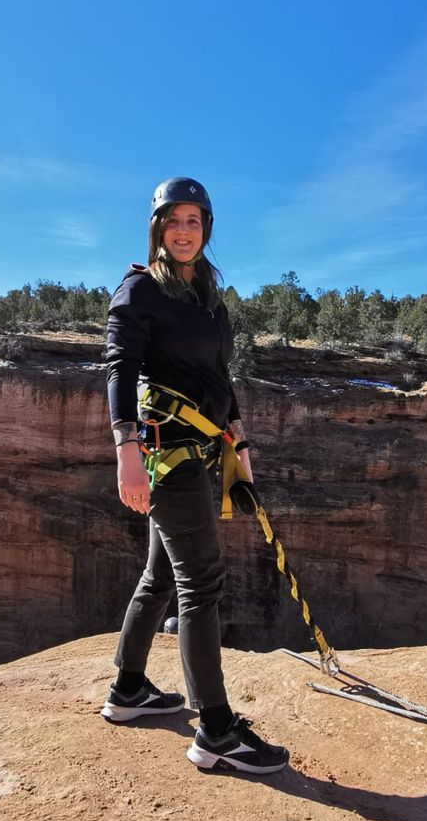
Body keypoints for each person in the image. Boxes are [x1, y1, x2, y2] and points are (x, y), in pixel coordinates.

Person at [100, 177, 290, 775]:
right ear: (156, 228)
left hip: (205, 448)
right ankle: (216, 730)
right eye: (173, 221)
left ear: (206, 228)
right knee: (200, 583)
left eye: (194, 221)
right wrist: (125, 448)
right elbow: (120, 370)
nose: (184, 231)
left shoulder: (206, 294)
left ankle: (128, 692)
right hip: (164, 454)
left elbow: (218, 377)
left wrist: (240, 442)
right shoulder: (139, 290)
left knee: (161, 575)